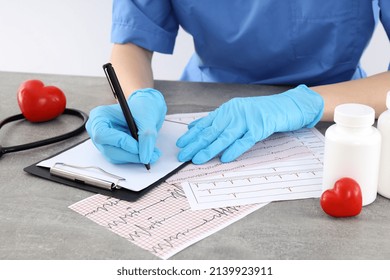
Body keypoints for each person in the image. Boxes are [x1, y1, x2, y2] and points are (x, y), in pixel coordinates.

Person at [86, 0, 390, 166]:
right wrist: (137, 97)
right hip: (205, 115)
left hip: (338, 113)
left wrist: (300, 104)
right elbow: (133, 41)